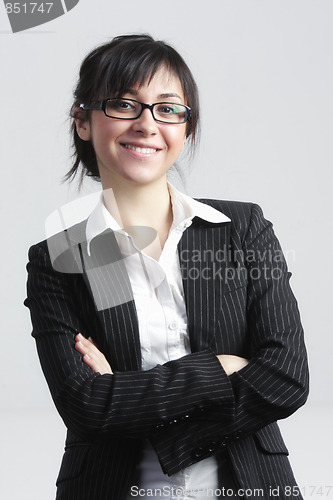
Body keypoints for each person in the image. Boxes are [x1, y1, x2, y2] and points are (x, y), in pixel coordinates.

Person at [24, 34, 309, 500]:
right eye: (123, 104)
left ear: (185, 127)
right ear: (82, 121)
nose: (146, 123)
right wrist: (222, 366)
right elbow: (87, 405)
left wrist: (138, 401)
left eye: (168, 108)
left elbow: (286, 376)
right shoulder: (66, 257)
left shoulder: (239, 229)